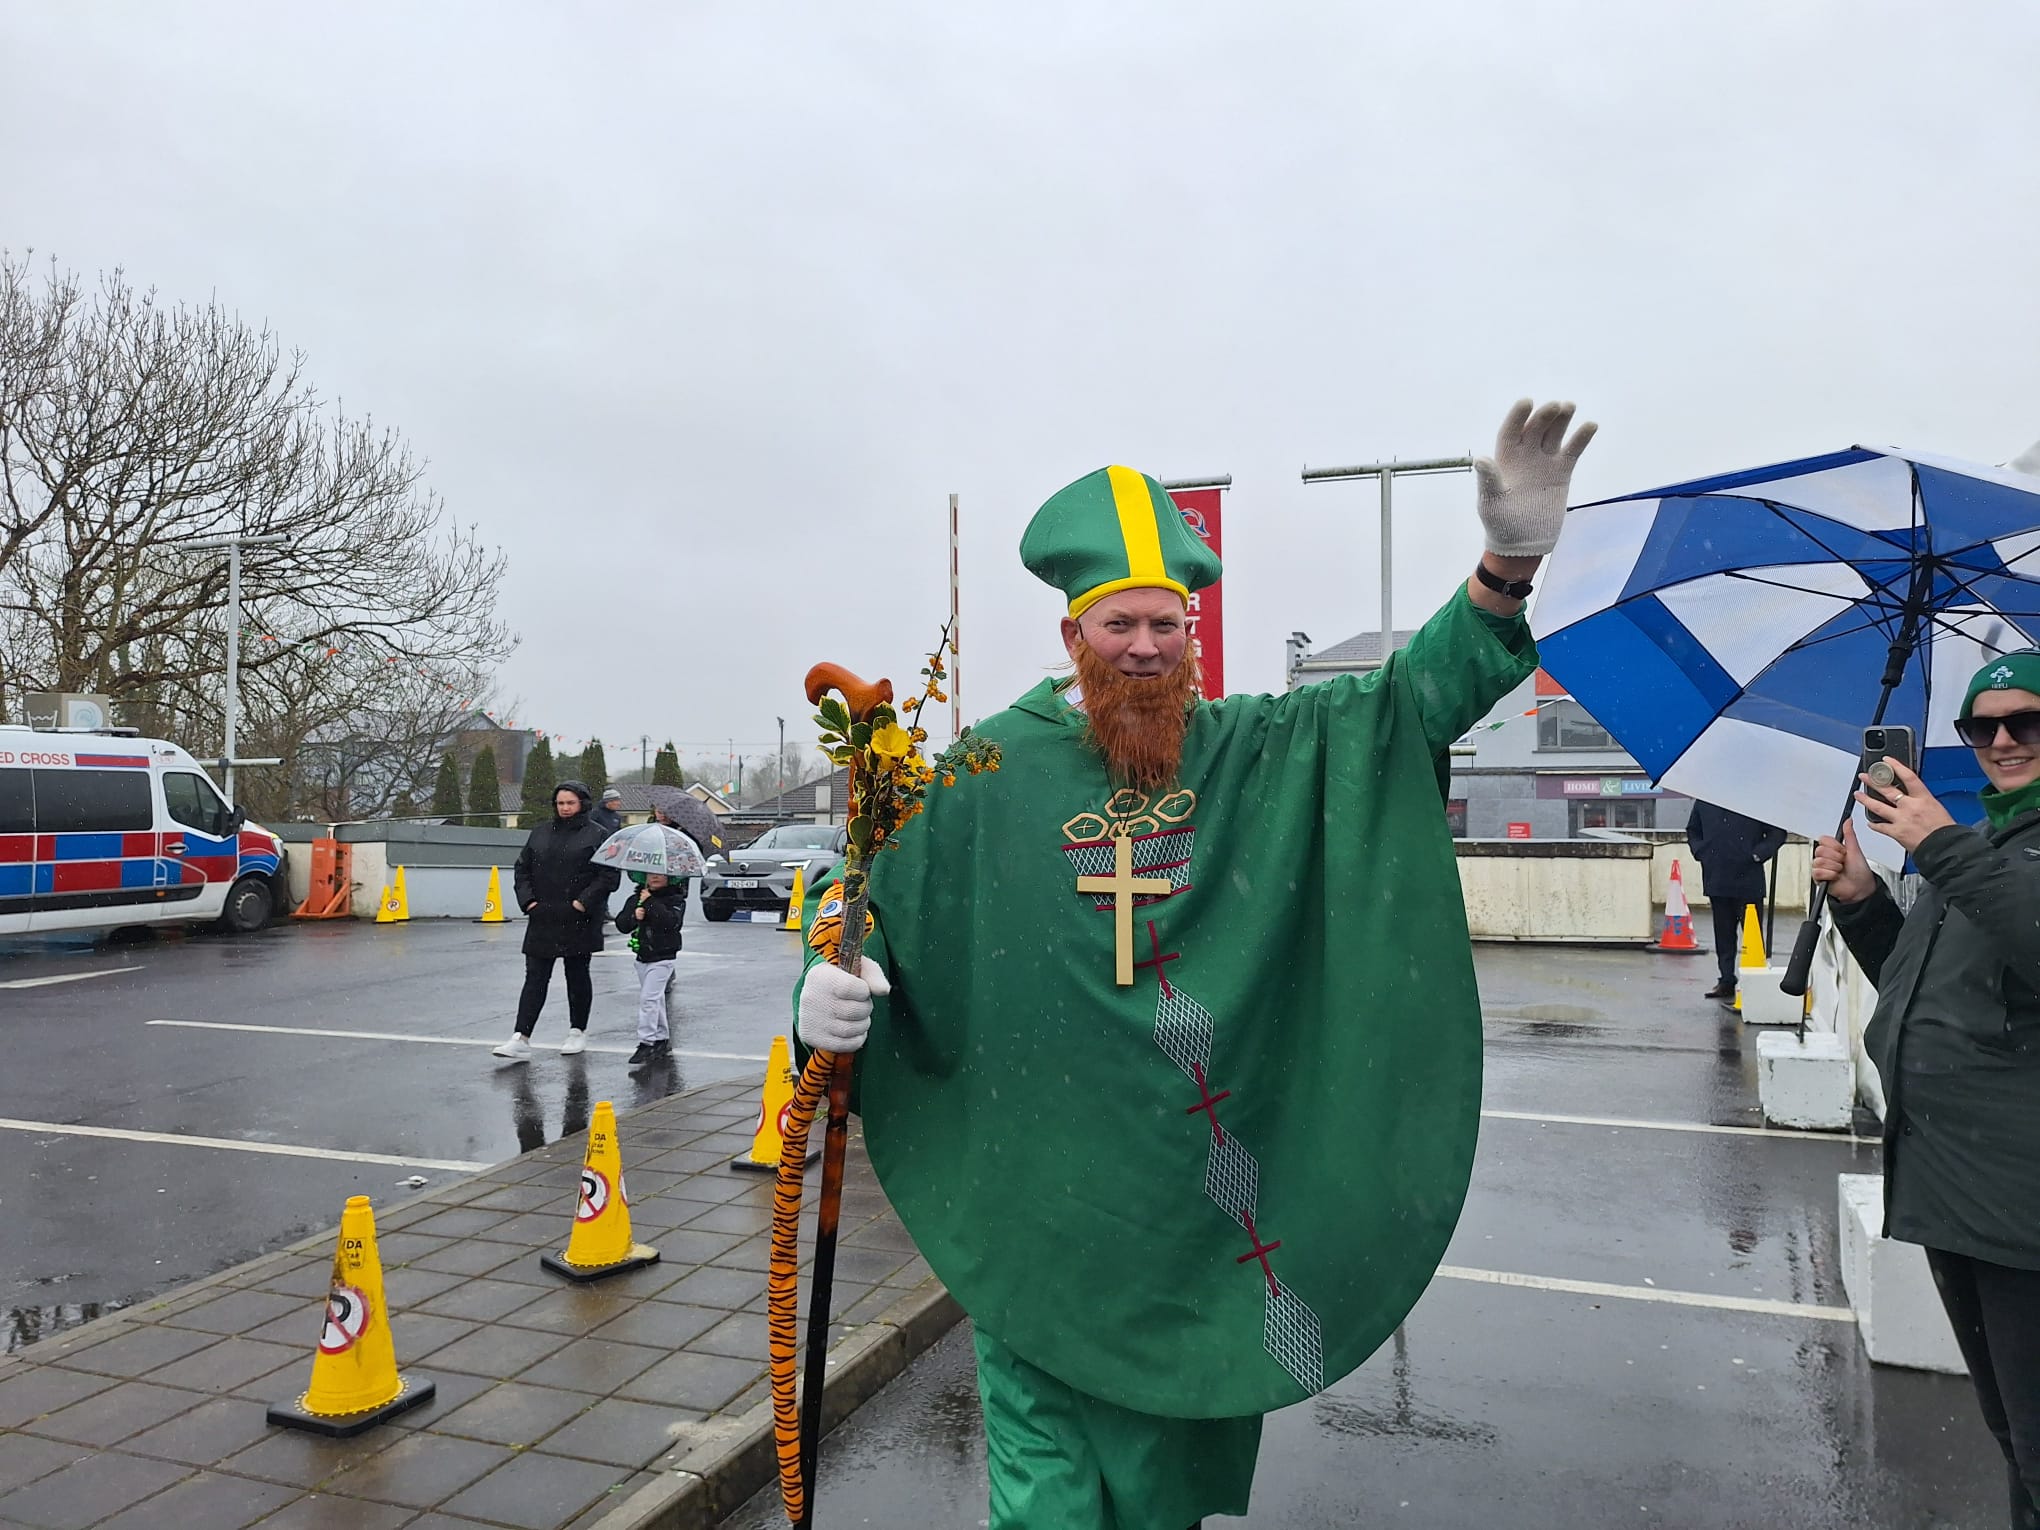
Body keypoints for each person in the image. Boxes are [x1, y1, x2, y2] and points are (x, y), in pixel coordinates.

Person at [793, 400, 1596, 1529]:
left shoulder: (1250, 750)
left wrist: (1507, 563)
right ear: (1073, 633)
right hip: (1044, 1208)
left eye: (1168, 625)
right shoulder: (983, 773)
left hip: (1197, 1223)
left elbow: (1406, 702)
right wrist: (816, 995)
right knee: (1046, 1497)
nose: (1148, 648)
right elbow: (864, 907)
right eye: (1123, 624)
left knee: (1166, 1492)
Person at [1814, 650, 2040, 1530]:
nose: (2004, 741)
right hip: (1954, 1191)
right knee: (2013, 1434)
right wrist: (1866, 898)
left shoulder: (1966, 849)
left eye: (2026, 721)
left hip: (2023, 1206)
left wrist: (1936, 844)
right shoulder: (1980, 845)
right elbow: (1918, 988)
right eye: (1982, 727)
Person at [493, 780, 619, 1060]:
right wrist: (529, 902)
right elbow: (522, 869)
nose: (564, 808)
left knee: (577, 975)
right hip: (543, 915)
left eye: (570, 803)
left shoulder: (598, 835)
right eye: (560, 803)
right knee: (535, 977)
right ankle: (521, 1037)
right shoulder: (540, 833)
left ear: (582, 803)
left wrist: (581, 903)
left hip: (579, 918)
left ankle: (577, 1031)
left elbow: (608, 877)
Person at [1685, 800, 1787, 1003]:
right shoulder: (1706, 801)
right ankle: (1726, 980)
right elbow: (1693, 830)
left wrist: (1757, 855)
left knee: (1753, 936)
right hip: (1717, 878)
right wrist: (1701, 852)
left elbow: (1777, 833)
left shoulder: (1753, 802)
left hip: (1749, 881)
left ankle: (1754, 981)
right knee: (1723, 935)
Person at [615, 871, 684, 1068]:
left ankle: (646, 1041)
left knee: (649, 998)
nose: (654, 878)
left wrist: (651, 903)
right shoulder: (636, 899)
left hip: (663, 957)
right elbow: (622, 924)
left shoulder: (674, 899)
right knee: (656, 998)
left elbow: (671, 923)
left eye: (660, 875)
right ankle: (661, 1038)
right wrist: (634, 916)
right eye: (650, 874)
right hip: (642, 957)